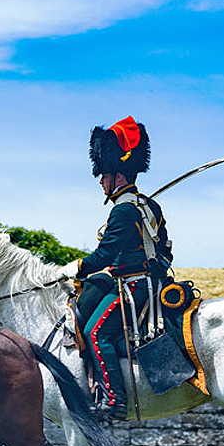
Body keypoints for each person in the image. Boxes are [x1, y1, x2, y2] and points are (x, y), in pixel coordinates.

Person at [57, 116, 171, 421]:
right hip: (148, 282)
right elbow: (166, 250)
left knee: (96, 334)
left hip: (133, 287)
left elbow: (104, 254)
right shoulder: (149, 206)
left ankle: (114, 398)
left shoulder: (123, 210)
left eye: (103, 175)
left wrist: (76, 267)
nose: (100, 181)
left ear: (117, 176)